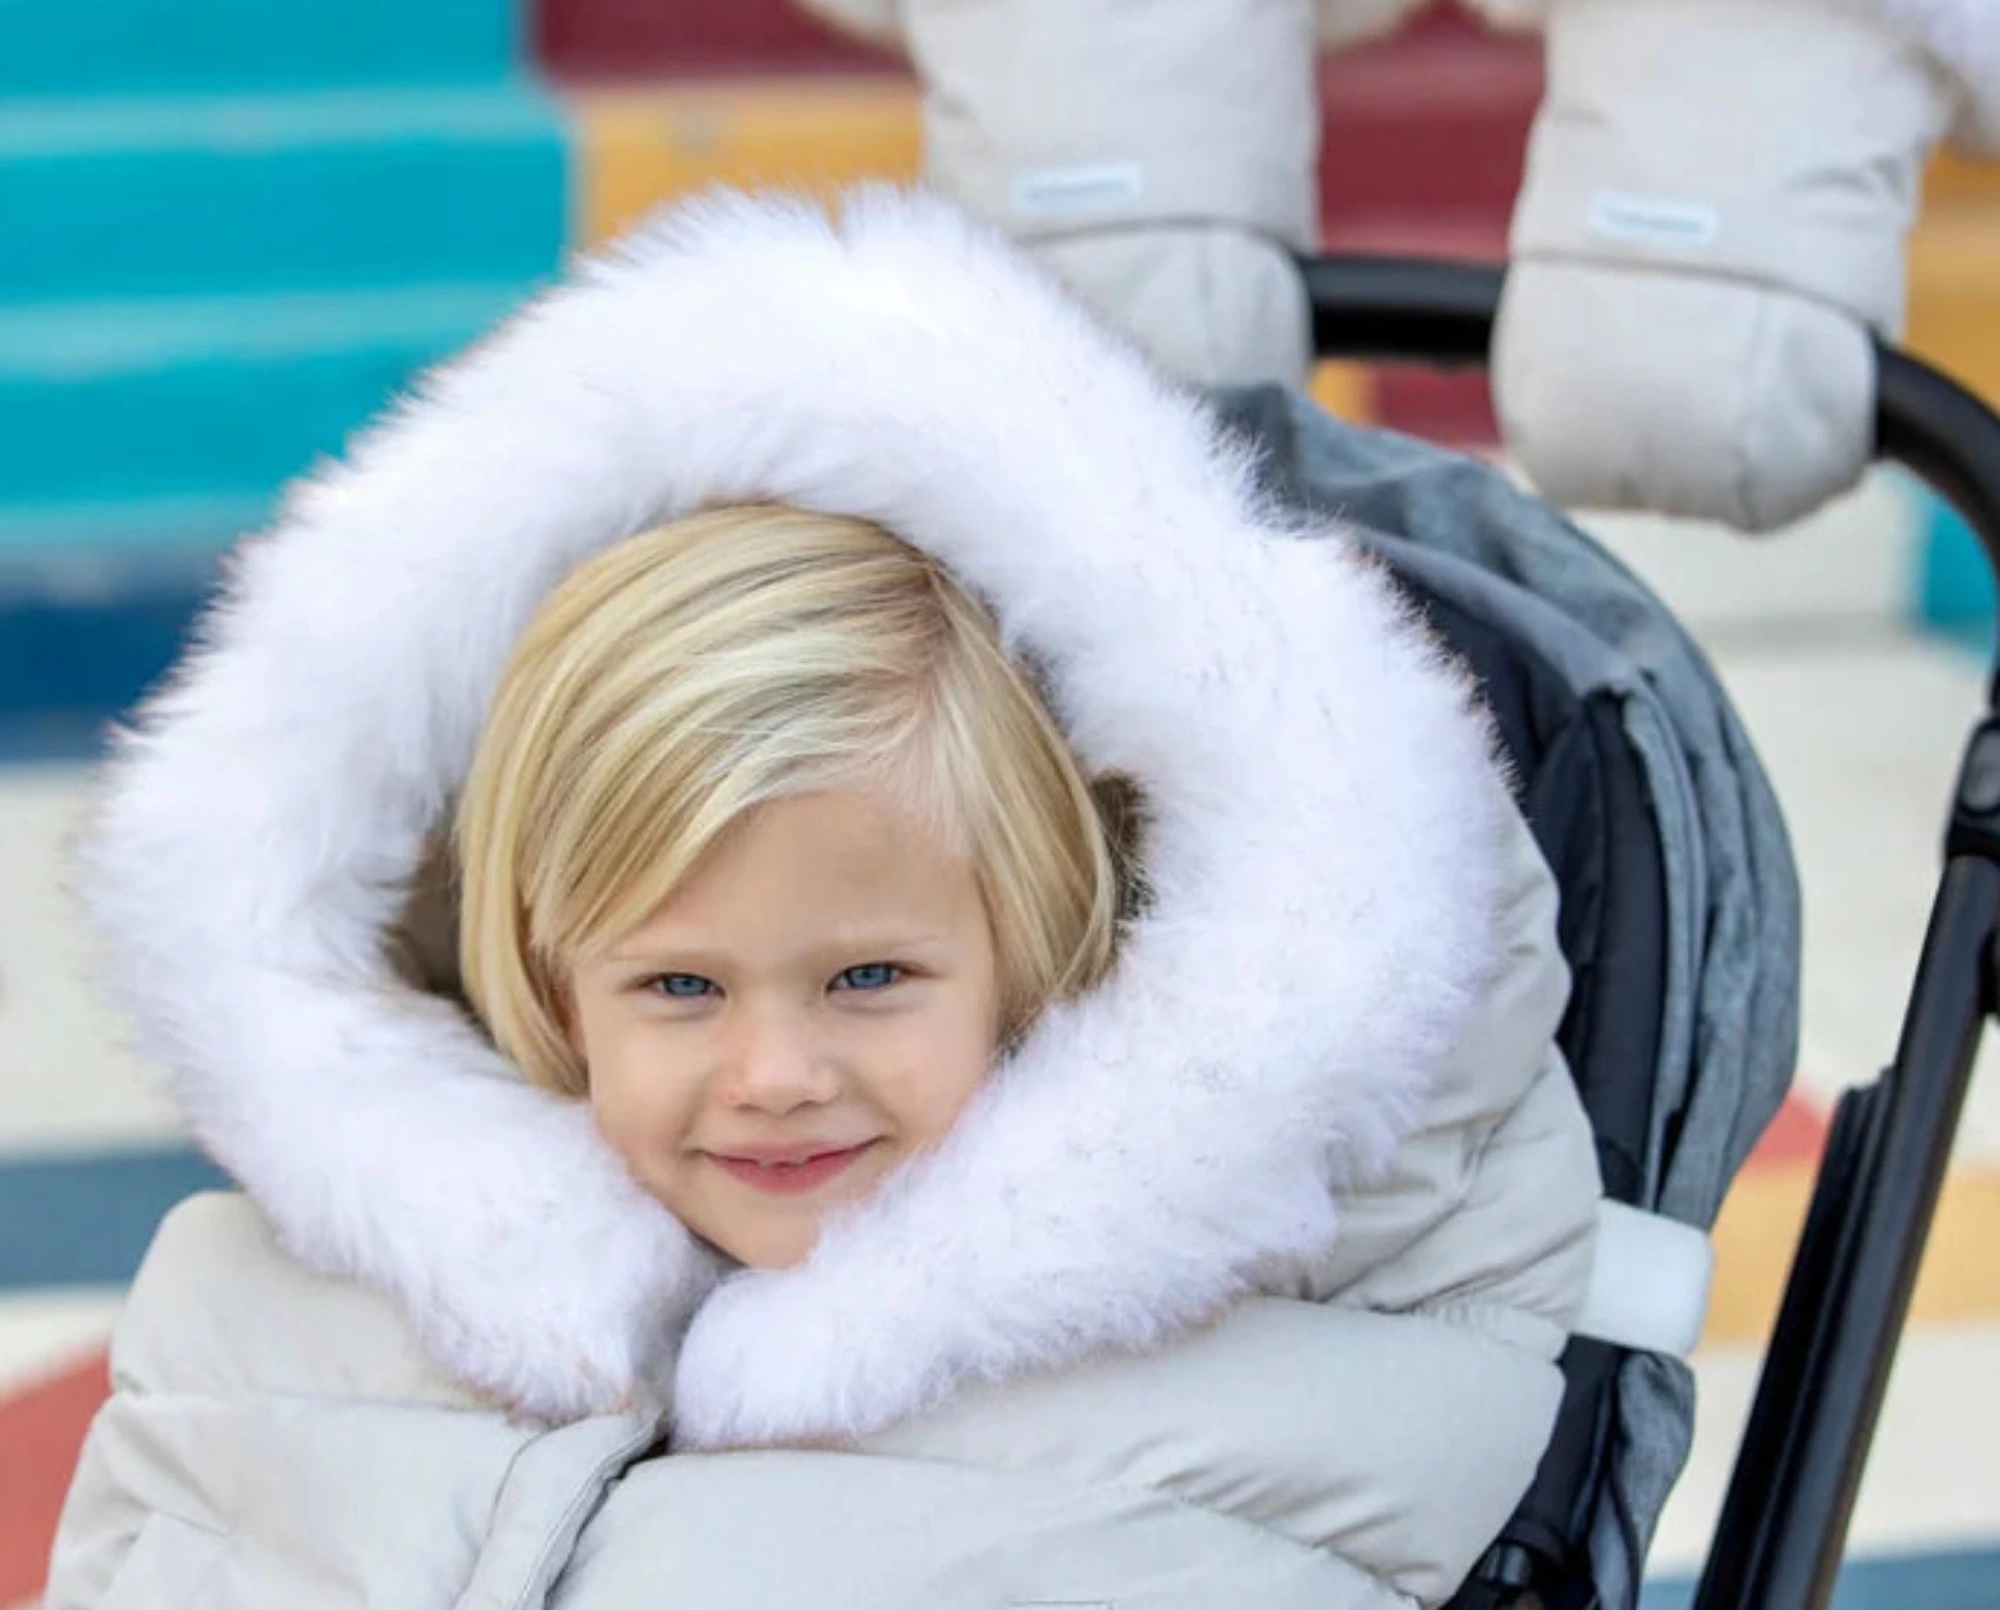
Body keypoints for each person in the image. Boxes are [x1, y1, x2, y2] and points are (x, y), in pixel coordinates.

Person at [50, 187, 1600, 1608]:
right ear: (545, 978)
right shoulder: (273, 1311)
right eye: (680, 986)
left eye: (867, 979)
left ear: (1035, 958)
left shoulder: (1249, 1391)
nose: (776, 1074)